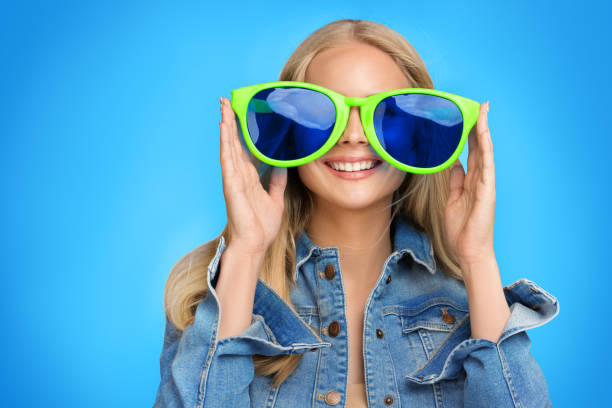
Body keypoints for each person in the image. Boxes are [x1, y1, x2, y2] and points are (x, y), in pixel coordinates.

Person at [153, 19, 559, 408]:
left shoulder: (466, 303)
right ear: (288, 130)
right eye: (320, 113)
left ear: (419, 134)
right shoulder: (213, 297)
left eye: (385, 114)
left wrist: (478, 260)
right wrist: (244, 253)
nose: (352, 135)